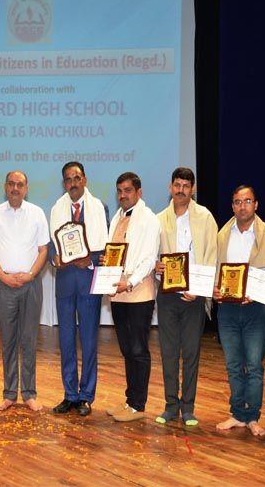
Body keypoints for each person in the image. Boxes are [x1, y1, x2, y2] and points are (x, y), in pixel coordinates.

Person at [213, 185, 265, 436]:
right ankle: (237, 414)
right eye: (236, 202)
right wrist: (214, 290)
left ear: (256, 205)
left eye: (247, 201)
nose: (241, 206)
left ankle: (252, 416)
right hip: (228, 310)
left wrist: (256, 293)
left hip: (256, 311)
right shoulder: (221, 236)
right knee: (233, 365)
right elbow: (214, 270)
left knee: (253, 365)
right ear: (232, 205)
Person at [154, 167, 218, 426]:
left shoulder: (205, 218)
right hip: (167, 295)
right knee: (169, 352)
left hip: (195, 297)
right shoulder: (158, 219)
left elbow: (212, 256)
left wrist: (200, 289)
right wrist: (155, 266)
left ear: (192, 189)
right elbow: (152, 254)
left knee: (191, 352)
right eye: (177, 185)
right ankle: (171, 405)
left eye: (186, 186)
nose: (180, 190)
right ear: (170, 187)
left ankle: (188, 407)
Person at [0, 171, 49, 412]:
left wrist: (30, 274)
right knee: (9, 340)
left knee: (29, 339)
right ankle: (9, 393)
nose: (15, 188)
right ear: (5, 187)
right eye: (11, 184)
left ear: (26, 188)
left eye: (19, 184)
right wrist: (3, 276)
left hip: (30, 283)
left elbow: (43, 250)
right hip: (4, 284)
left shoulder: (37, 213)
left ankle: (29, 393)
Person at [49, 162, 108, 417]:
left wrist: (91, 260)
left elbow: (105, 247)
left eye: (77, 177)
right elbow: (51, 246)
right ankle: (70, 394)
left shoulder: (99, 208)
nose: (73, 183)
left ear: (84, 179)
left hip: (88, 280)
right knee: (65, 341)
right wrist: (55, 259)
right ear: (64, 183)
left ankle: (86, 396)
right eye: (68, 179)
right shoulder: (56, 209)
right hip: (64, 281)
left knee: (88, 341)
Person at [104, 172, 160, 422]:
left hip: (138, 292)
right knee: (126, 349)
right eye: (119, 191)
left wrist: (130, 281)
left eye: (127, 190)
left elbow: (149, 259)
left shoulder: (149, 219)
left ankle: (138, 405)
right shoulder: (117, 216)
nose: (123, 195)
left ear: (139, 192)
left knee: (138, 349)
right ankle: (130, 401)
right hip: (119, 292)